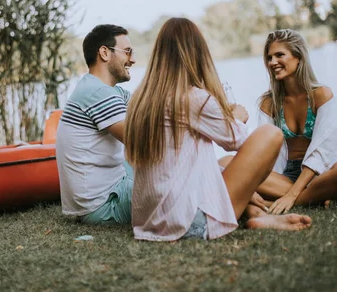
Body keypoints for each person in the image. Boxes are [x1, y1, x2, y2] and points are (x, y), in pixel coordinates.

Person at [124, 18, 312, 241]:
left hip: (149, 222)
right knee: (270, 135)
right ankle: (254, 211)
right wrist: (237, 118)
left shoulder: (139, 99)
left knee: (218, 165)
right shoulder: (192, 98)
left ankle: (256, 215)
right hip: (189, 222)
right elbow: (239, 141)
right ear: (197, 53)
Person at [256, 29, 337, 215]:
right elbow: (262, 151)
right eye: (269, 57)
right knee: (230, 166)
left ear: (298, 58)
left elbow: (322, 152)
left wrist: (291, 195)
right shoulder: (269, 103)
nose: (272, 62)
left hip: (322, 173)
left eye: (279, 55)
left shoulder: (321, 95)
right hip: (285, 176)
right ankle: (322, 197)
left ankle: (291, 201)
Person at [55, 24, 136, 225]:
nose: (132, 59)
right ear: (104, 53)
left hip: (108, 187)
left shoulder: (101, 88)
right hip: (103, 205)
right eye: (127, 52)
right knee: (175, 177)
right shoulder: (97, 93)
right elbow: (142, 142)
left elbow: (148, 104)